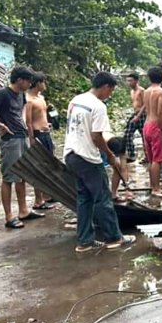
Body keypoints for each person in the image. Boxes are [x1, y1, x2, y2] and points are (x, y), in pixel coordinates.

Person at [63, 71, 135, 252]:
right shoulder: (98, 106)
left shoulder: (76, 100)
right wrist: (109, 154)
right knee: (103, 198)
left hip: (71, 155)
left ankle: (84, 241)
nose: (109, 96)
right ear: (106, 87)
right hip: (87, 158)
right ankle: (114, 238)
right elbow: (96, 136)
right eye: (110, 92)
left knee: (84, 199)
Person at [0, 66, 44, 228]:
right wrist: (0, 124)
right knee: (9, 178)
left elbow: (23, 109)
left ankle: (23, 210)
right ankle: (8, 216)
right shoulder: (2, 94)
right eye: (28, 81)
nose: (29, 85)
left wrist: (25, 125)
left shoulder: (21, 95)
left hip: (21, 137)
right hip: (10, 140)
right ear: (20, 80)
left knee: (22, 175)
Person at [25, 72, 56, 210]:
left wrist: (47, 124)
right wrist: (31, 139)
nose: (45, 85)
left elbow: (42, 116)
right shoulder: (29, 100)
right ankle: (39, 199)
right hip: (37, 135)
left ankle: (47, 194)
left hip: (46, 133)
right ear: (38, 83)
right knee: (39, 167)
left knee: (49, 165)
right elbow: (28, 122)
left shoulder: (41, 98)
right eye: (43, 82)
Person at [143, 66, 162, 195]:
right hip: (155, 126)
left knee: (151, 159)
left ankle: (153, 186)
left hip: (146, 125)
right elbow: (160, 113)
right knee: (157, 160)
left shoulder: (146, 91)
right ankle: (156, 188)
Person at [123, 72, 146, 163]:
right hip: (135, 114)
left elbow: (145, 104)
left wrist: (139, 115)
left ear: (136, 81)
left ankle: (147, 156)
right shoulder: (132, 91)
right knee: (127, 134)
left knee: (144, 137)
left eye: (130, 81)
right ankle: (131, 155)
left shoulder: (142, 90)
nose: (129, 83)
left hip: (142, 115)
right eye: (127, 81)